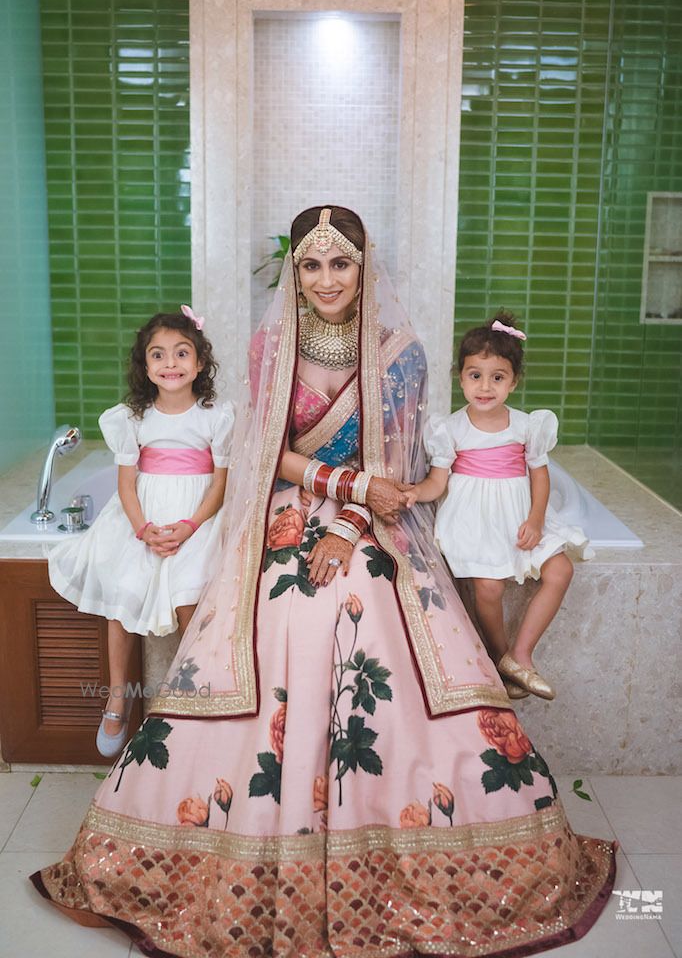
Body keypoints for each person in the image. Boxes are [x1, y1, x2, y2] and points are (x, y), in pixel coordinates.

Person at [31, 208, 616, 957]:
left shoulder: (398, 351)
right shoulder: (272, 343)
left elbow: (405, 461)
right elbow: (265, 450)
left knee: (367, 586)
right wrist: (336, 488)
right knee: (286, 604)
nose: (328, 279)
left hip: (378, 515)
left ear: (365, 267)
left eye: (341, 263)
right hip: (292, 500)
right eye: (312, 265)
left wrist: (349, 524)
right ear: (296, 275)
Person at [46, 306, 235, 756]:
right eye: (158, 355)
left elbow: (220, 484)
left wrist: (189, 527)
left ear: (200, 363)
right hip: (143, 518)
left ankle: (193, 696)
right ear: (145, 366)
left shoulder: (216, 416)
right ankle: (116, 698)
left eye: (181, 353)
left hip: (197, 519)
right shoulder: (132, 418)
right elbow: (126, 484)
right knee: (124, 590)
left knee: (192, 592)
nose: (170, 364)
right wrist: (143, 529)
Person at [405, 312, 593, 702]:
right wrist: (412, 493)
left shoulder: (526, 425)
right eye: (475, 375)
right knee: (487, 588)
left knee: (560, 570)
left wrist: (536, 520)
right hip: (474, 519)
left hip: (519, 515)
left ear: (513, 381)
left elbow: (539, 477)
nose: (485, 387)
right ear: (461, 377)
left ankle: (521, 655)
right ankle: (498, 654)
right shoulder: (450, 429)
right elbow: (437, 482)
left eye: (497, 377)